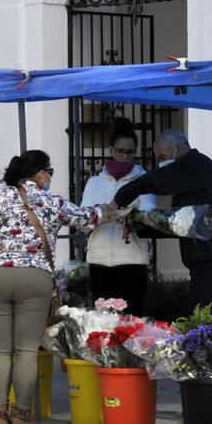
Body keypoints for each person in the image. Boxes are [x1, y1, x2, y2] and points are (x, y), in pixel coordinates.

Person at [0, 150, 118, 424]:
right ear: (40, 174)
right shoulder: (52, 201)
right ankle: (22, 415)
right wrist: (114, 210)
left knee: (0, 349)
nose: (50, 177)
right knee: (25, 350)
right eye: (50, 172)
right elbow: (88, 218)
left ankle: (0, 414)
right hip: (33, 278)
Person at [111, 128, 212, 310]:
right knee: (205, 317)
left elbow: (150, 181)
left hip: (211, 257)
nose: (161, 163)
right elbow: (177, 223)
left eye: (162, 157)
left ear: (178, 148)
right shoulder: (192, 176)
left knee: (209, 320)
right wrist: (136, 223)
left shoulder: (195, 165)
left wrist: (117, 201)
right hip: (205, 258)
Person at [80, 119, 154, 316]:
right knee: (102, 322)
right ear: (111, 150)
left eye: (130, 152)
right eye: (120, 151)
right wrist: (123, 213)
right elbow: (85, 218)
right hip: (100, 261)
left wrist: (107, 213)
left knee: (132, 320)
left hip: (132, 261)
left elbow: (148, 214)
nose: (124, 156)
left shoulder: (143, 180)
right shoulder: (95, 183)